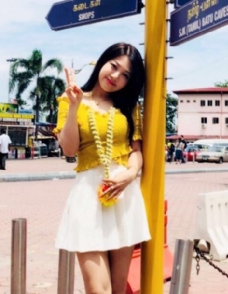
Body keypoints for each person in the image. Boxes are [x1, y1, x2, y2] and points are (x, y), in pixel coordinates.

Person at [54, 43, 150, 294]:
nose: (115, 76)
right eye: (113, 66)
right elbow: (69, 149)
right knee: (99, 290)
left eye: (125, 75)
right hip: (88, 198)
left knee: (117, 289)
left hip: (123, 198)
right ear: (102, 62)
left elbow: (136, 150)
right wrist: (74, 105)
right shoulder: (69, 99)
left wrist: (130, 174)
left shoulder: (129, 107)